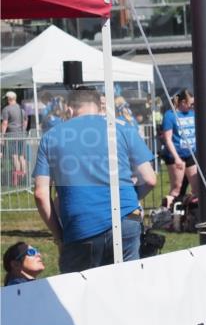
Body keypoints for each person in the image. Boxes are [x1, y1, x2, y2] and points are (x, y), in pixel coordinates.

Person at [33, 87, 157, 272]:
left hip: (80, 226)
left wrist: (59, 237)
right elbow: (149, 179)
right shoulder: (122, 127)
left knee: (79, 295)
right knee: (126, 289)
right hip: (126, 220)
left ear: (69, 109)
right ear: (100, 107)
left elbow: (41, 194)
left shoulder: (51, 137)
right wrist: (130, 199)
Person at [161, 89, 198, 205]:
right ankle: (168, 214)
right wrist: (176, 158)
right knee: (177, 187)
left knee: (196, 188)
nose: (192, 106)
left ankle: (189, 214)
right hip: (176, 155)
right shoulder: (170, 115)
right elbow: (168, 139)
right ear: (182, 102)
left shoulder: (193, 113)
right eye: (190, 104)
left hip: (191, 154)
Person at [2, 91, 28, 186]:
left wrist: (2, 136)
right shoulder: (22, 109)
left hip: (12, 135)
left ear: (9, 99)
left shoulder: (6, 109)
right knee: (22, 157)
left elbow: (5, 123)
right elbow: (25, 121)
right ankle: (24, 179)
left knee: (14, 156)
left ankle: (16, 180)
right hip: (22, 134)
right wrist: (22, 130)